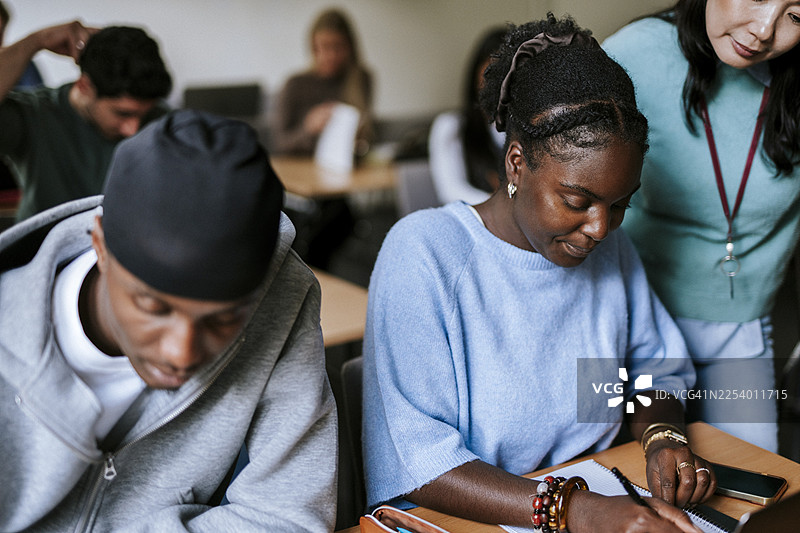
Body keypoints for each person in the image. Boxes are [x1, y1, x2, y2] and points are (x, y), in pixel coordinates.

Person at [363, 15, 716, 533]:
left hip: (595, 489)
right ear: (515, 164)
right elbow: (417, 461)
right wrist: (576, 510)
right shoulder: (425, 253)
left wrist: (663, 435)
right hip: (463, 516)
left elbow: (653, 369)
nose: (599, 228)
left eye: (620, 205)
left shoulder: (609, 249)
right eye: (577, 200)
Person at [0, 110, 337, 531]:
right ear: (101, 245)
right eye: (153, 307)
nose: (182, 353)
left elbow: (287, 516)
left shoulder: (280, 299)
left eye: (224, 320)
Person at [603, 0, 800, 453]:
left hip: (738, 324)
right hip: (627, 323)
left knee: (754, 493)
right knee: (620, 488)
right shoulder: (631, 55)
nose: (764, 29)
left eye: (797, 15)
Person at [0, 20, 172, 222]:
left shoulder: (161, 120)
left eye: (142, 114)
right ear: (84, 86)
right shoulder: (32, 114)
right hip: (43, 250)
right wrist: (35, 41)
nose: (133, 129)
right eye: (122, 113)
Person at [271, 7, 373, 156]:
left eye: (338, 47)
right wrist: (308, 129)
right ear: (314, 47)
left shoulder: (361, 79)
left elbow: (368, 137)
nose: (331, 55)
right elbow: (279, 144)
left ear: (350, 47)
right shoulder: (295, 84)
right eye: (325, 47)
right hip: (301, 168)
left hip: (344, 167)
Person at [428, 27, 506, 205]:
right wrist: (503, 208)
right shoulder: (452, 127)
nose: (500, 82)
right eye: (491, 70)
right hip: (476, 221)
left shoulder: (531, 127)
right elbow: (451, 191)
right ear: (476, 73)